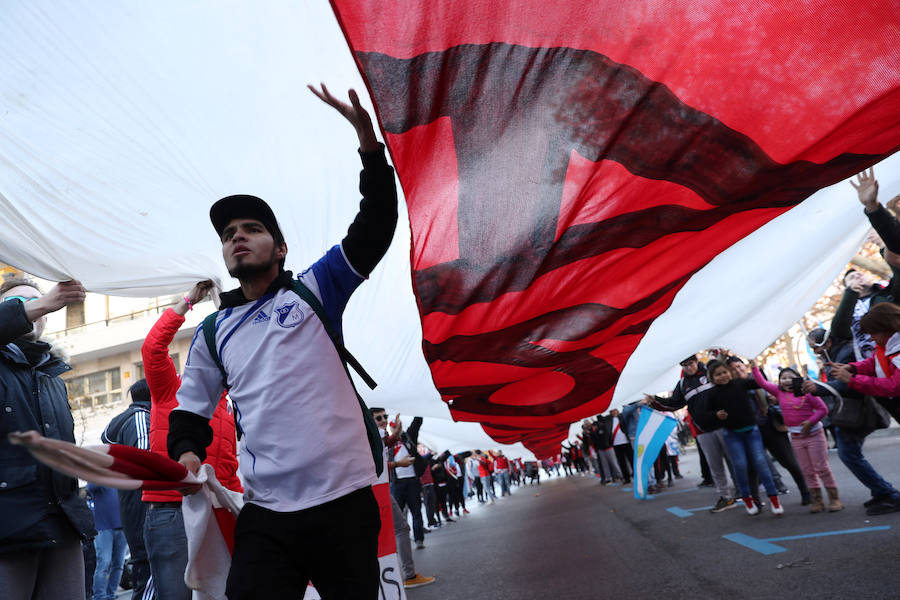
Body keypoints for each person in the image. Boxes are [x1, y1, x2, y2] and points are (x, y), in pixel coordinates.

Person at [167, 84, 397, 599]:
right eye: (228, 234)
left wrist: (368, 145)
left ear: (280, 247)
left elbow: (376, 224)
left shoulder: (318, 289)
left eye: (251, 228)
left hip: (345, 499)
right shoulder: (211, 333)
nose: (237, 237)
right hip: (266, 512)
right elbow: (189, 414)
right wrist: (185, 455)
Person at [141, 281, 242, 600]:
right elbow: (153, 349)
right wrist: (187, 302)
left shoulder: (230, 401)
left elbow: (229, 466)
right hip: (172, 510)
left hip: (222, 508)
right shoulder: (169, 389)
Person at [0, 278, 95, 599]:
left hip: (61, 527)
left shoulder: (53, 377)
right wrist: (36, 304)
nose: (33, 310)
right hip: (8, 533)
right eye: (19, 305)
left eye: (37, 304)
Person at [813, 302, 900, 515]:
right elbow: (873, 363)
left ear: (886, 328)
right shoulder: (887, 346)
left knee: (849, 453)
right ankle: (884, 493)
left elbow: (894, 386)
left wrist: (852, 379)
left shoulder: (897, 349)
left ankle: (886, 494)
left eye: (873, 333)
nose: (870, 338)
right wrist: (851, 368)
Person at [645, 355, 736, 509]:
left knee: (735, 461)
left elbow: (729, 385)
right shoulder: (682, 384)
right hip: (703, 431)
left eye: (691, 363)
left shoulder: (711, 371)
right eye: (684, 365)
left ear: (697, 361)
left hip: (725, 425)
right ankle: (725, 497)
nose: (688, 367)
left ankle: (745, 492)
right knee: (715, 467)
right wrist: (654, 400)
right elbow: (673, 404)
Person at [750, 361, 840, 513]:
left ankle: (834, 499)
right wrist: (754, 367)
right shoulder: (779, 392)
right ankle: (817, 500)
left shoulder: (807, 392)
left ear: (798, 379)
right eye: (783, 378)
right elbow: (762, 383)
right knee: (807, 470)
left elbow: (822, 409)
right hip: (796, 437)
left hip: (814, 434)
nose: (786, 380)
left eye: (790, 377)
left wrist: (809, 423)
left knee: (821, 467)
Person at [832, 169, 900, 361]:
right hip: (875, 370)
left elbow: (896, 258)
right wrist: (850, 294)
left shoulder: (889, 293)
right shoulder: (848, 308)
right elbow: (839, 332)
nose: (858, 276)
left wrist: (874, 208)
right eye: (851, 278)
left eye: (860, 274)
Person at [727, 356, 811, 506]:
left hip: (770, 426)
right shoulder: (731, 388)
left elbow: (772, 387)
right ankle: (755, 502)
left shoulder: (757, 380)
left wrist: (773, 399)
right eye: (733, 369)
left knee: (789, 461)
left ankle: (806, 492)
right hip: (749, 431)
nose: (737, 370)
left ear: (744, 366)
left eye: (739, 366)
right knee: (752, 467)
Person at [703, 360, 783, 516]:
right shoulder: (712, 394)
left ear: (730, 372)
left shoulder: (740, 383)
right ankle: (747, 498)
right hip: (731, 434)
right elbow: (705, 414)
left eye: (725, 372)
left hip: (751, 431)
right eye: (718, 375)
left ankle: (774, 499)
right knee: (739, 465)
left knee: (761, 463)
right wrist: (716, 415)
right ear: (712, 378)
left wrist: (754, 368)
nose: (723, 376)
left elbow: (760, 383)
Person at [370, 408, 435, 590]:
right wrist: (398, 463)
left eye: (385, 417)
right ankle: (408, 575)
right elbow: (373, 461)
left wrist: (396, 435)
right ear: (370, 420)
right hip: (380, 489)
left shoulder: (380, 436)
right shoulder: (369, 436)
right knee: (399, 528)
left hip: (388, 488)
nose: (383, 420)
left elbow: (382, 448)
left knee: (399, 525)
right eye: (378, 418)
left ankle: (399, 575)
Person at [101, 380, 154, 600]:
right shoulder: (141, 418)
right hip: (145, 505)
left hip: (131, 505)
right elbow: (146, 461)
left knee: (145, 573)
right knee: (149, 575)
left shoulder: (120, 421)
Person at [87, 484, 127, 600]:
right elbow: (91, 488)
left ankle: (110, 594)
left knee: (118, 564)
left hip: (122, 527)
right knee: (104, 563)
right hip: (104, 528)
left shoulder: (117, 478)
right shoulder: (99, 478)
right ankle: (100, 596)